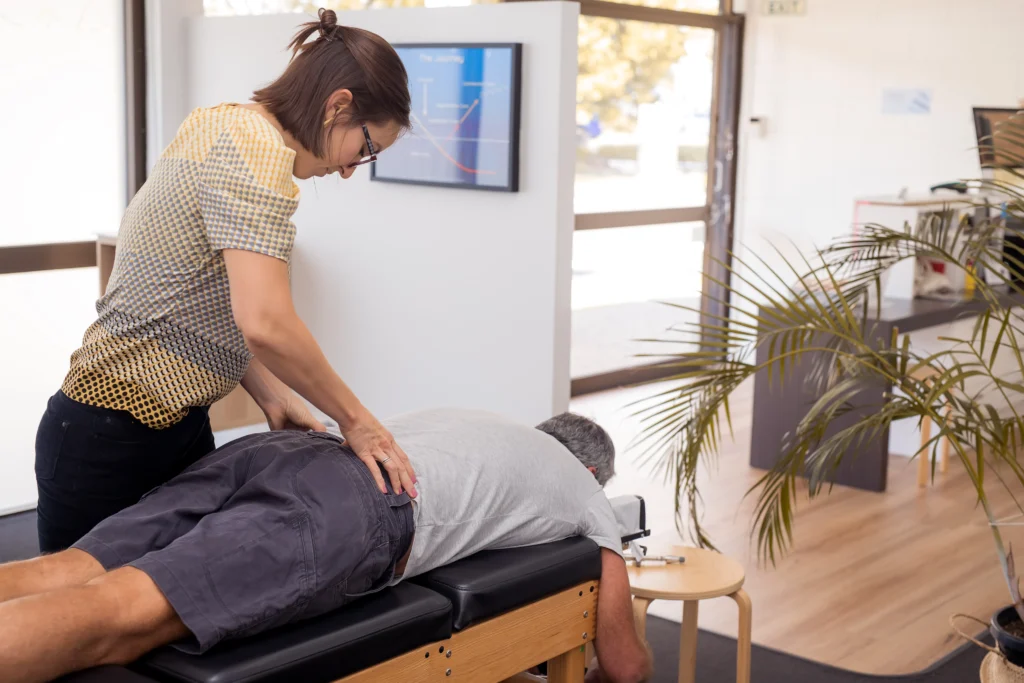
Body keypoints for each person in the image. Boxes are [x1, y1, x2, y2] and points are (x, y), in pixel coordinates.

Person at [34, 9, 419, 555]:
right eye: (365, 148)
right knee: (71, 623)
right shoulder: (256, 149)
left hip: (168, 427)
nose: (353, 168)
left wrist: (273, 394)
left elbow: (197, 299)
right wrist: (359, 423)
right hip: (112, 433)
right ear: (338, 106)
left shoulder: (222, 122)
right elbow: (264, 322)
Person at [0, 411, 653, 683]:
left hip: (283, 447)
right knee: (116, 617)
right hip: (352, 504)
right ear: (596, 472)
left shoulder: (487, 423)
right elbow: (624, 664)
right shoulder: (584, 490)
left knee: (64, 571)